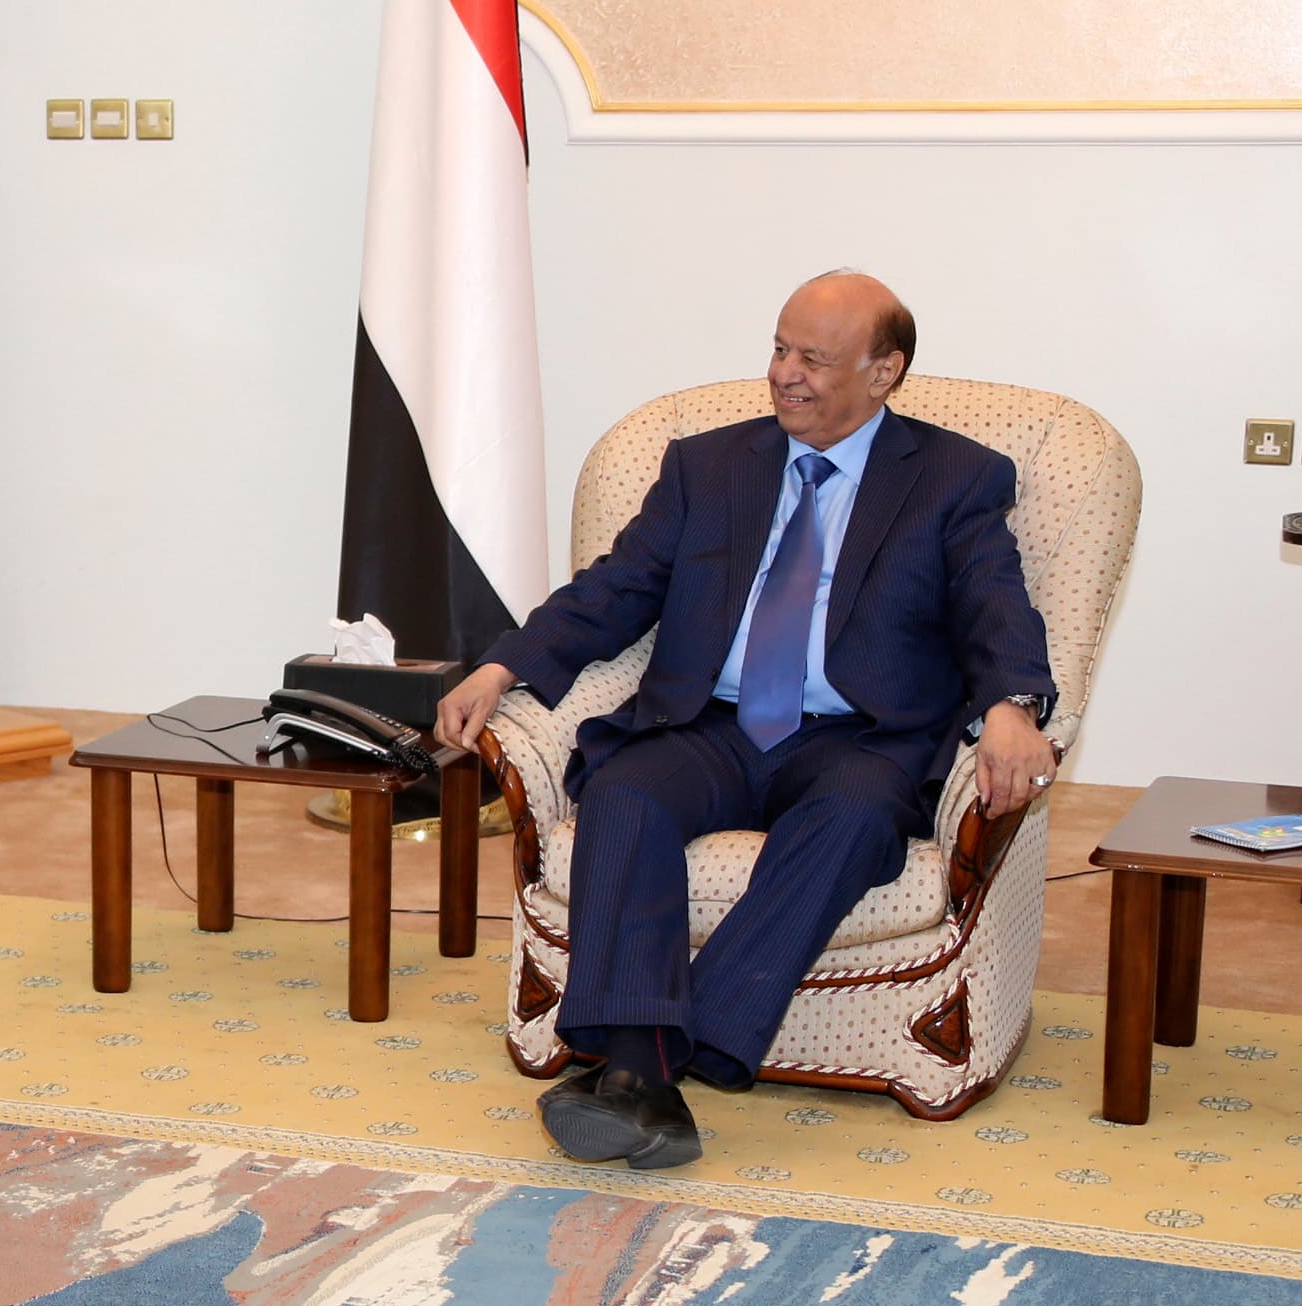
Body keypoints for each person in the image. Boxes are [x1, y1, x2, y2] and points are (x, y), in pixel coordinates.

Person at [434, 272, 1058, 1171]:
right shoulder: (708, 465)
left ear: (884, 373)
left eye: (813, 358)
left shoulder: (953, 478)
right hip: (710, 723)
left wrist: (1012, 705)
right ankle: (652, 1070)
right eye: (777, 348)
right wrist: (502, 664)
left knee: (849, 822)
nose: (784, 375)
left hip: (857, 736)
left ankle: (647, 1058)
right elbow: (618, 588)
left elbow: (997, 605)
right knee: (624, 796)